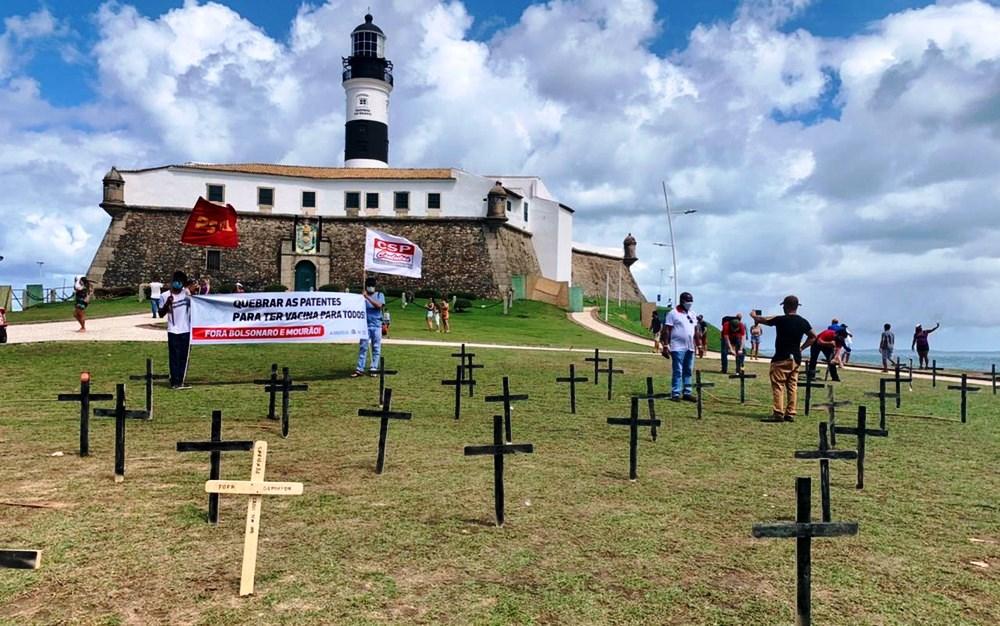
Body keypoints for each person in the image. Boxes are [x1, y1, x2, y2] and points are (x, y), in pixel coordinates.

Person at [751, 295, 817, 422]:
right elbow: (813, 336)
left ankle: (778, 413)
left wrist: (754, 316)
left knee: (778, 385)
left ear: (785, 306)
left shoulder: (781, 320)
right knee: (792, 386)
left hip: (781, 357)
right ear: (797, 306)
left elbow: (763, 320)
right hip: (796, 359)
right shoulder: (803, 321)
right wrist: (801, 348)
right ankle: (790, 413)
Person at [157, 271, 192, 389]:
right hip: (173, 330)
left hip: (185, 329)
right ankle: (174, 381)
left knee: (183, 356)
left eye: (181, 282)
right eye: (176, 281)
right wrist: (168, 303)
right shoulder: (165, 295)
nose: (178, 284)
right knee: (174, 356)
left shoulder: (186, 293)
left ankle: (181, 380)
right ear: (172, 282)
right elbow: (161, 314)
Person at [661, 292, 697, 401]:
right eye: (687, 301)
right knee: (678, 370)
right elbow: (667, 330)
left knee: (688, 370)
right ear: (682, 301)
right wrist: (666, 346)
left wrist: (699, 345)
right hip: (677, 347)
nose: (689, 304)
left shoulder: (692, 314)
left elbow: (696, 329)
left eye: (691, 301)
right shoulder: (673, 313)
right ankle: (676, 393)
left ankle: (687, 392)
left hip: (690, 347)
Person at [353, 276, 385, 377]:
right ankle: (360, 368)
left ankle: (374, 367)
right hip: (364, 325)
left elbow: (379, 306)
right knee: (363, 347)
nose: (371, 288)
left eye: (372, 286)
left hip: (376, 325)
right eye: (369, 286)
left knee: (376, 347)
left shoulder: (380, 295)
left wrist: (367, 297)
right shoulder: (362, 296)